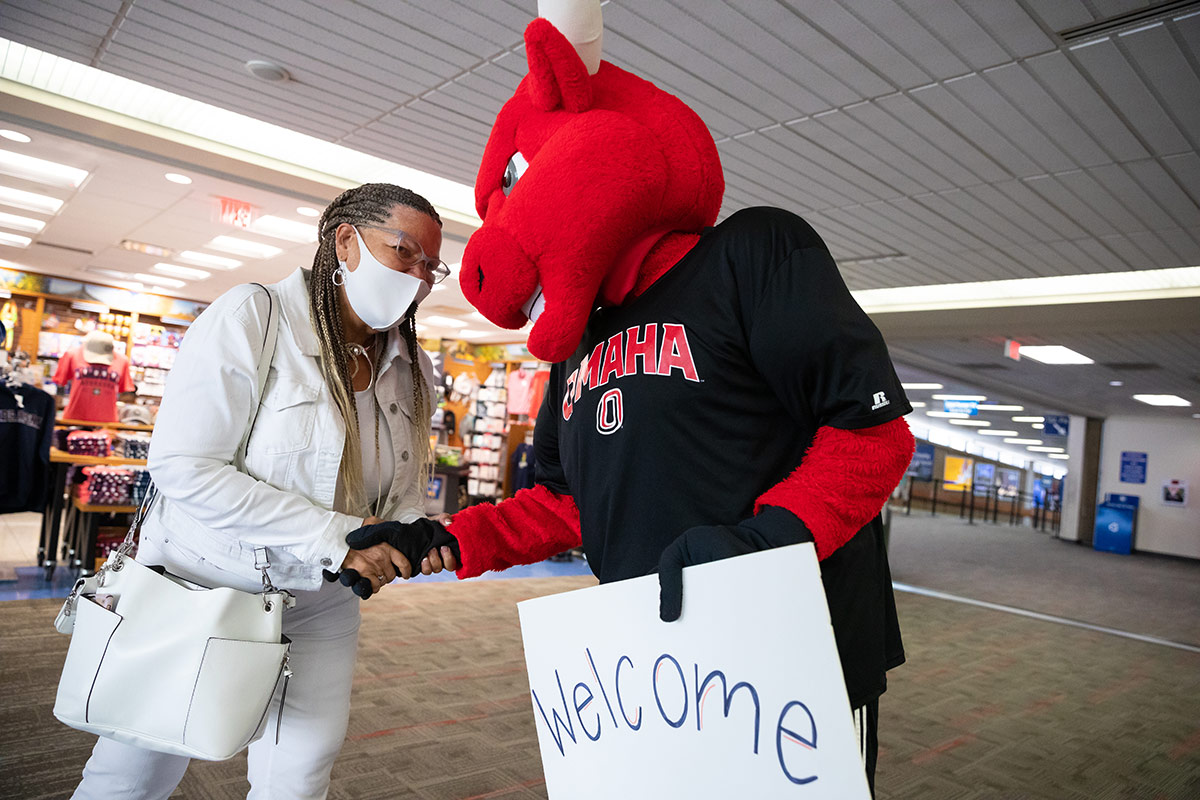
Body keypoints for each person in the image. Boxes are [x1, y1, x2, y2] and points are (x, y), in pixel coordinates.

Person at [69, 183, 458, 800]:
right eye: (403, 252)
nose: (417, 277)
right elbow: (186, 467)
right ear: (346, 242)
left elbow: (400, 490)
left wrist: (408, 531)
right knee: (137, 771)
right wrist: (337, 537)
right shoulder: (254, 317)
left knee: (300, 774)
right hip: (203, 587)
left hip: (322, 601)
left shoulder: (411, 364)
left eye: (430, 266)